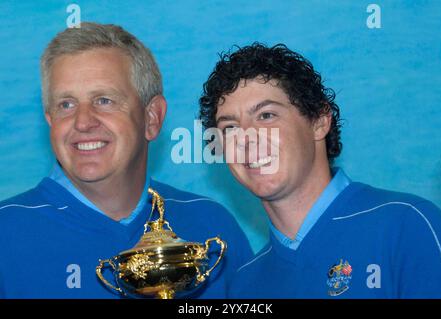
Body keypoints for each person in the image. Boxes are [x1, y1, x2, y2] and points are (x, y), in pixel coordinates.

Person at [0, 22, 252, 298]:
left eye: (104, 100)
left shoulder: (212, 228)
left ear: (152, 117)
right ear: (50, 120)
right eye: (66, 104)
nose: (83, 122)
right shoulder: (6, 233)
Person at [199, 43, 441, 298]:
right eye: (229, 128)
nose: (246, 137)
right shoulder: (244, 285)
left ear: (319, 120)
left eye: (266, 115)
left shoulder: (407, 227)